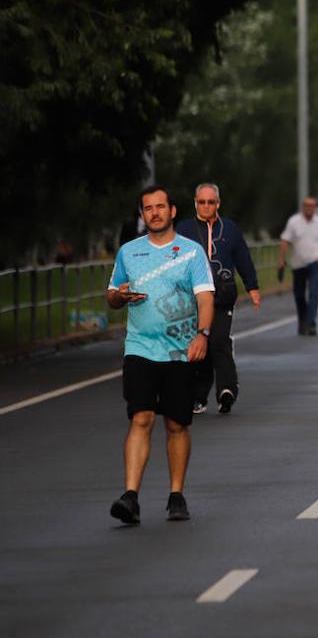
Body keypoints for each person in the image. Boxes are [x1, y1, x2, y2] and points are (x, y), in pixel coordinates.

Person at [106, 185, 215, 525]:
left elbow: (205, 299)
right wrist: (119, 296)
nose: (154, 213)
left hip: (180, 350)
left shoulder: (192, 252)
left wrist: (203, 335)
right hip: (139, 347)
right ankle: (131, 496)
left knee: (176, 423)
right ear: (143, 214)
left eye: (160, 207)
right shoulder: (129, 252)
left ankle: (176, 495)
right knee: (140, 418)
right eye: (147, 208)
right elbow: (111, 294)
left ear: (172, 211)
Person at [177, 183, 260, 415]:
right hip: (192, 299)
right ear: (195, 202)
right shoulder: (184, 229)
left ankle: (227, 390)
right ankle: (198, 396)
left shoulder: (230, 229)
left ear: (218, 203)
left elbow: (243, 258)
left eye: (210, 202)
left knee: (219, 341)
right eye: (201, 202)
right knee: (199, 346)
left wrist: (252, 287)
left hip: (222, 297)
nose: (206, 206)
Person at [278, 196, 318, 336]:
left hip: (315, 262)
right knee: (299, 294)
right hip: (298, 264)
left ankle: (311, 322)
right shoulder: (294, 222)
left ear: (315, 208)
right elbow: (285, 241)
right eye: (307, 206)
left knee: (314, 293)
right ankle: (302, 320)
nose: (309, 208)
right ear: (303, 207)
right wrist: (281, 259)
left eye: (312, 206)